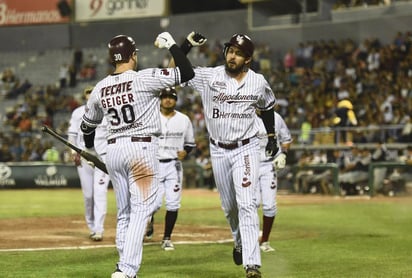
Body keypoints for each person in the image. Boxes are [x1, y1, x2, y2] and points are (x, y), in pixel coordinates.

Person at [80, 32, 195, 278]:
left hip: (113, 151)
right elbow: (187, 73)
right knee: (142, 211)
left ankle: (123, 263)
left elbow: (87, 127)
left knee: (125, 212)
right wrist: (174, 45)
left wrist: (90, 148)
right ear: (133, 55)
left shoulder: (100, 87)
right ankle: (126, 270)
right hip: (141, 150)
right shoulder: (144, 78)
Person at [178, 32, 278, 278]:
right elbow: (181, 70)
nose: (232, 56)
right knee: (229, 208)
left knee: (247, 204)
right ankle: (239, 240)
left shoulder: (258, 81)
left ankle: (252, 264)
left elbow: (267, 107)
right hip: (218, 149)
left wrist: (272, 136)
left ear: (248, 59)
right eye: (230, 51)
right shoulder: (210, 76)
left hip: (246, 148)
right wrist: (185, 45)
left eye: (238, 53)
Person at [145, 87, 196, 251]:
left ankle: (167, 237)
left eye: (171, 97)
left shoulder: (184, 119)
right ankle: (149, 220)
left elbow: (190, 143)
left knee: (173, 204)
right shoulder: (151, 117)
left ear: (176, 100)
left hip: (174, 165)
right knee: (155, 204)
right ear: (160, 99)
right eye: (165, 97)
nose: (168, 100)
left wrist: (185, 152)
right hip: (154, 164)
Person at [67, 86, 111, 241]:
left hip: (103, 158)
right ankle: (91, 225)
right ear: (85, 96)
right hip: (84, 157)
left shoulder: (109, 111)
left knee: (100, 193)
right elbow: (72, 134)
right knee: (88, 195)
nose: (91, 95)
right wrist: (73, 152)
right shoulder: (78, 113)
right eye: (88, 93)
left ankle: (98, 229)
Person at [256, 110, 292, 253]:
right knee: (251, 204)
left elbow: (286, 139)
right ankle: (249, 239)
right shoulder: (245, 115)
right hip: (249, 164)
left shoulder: (276, 118)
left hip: (268, 164)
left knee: (270, 205)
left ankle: (264, 241)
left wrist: (284, 154)